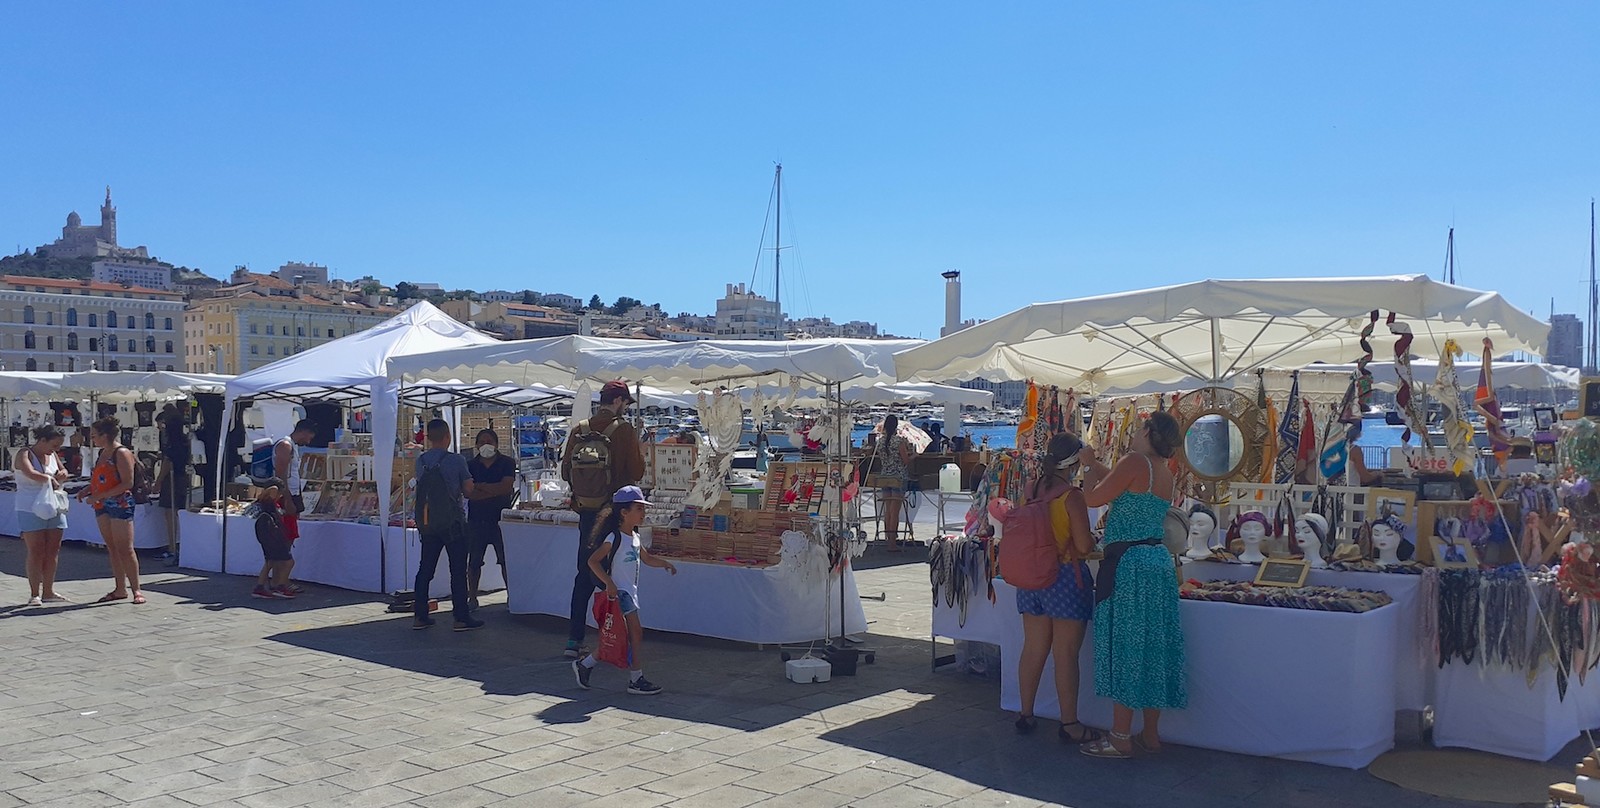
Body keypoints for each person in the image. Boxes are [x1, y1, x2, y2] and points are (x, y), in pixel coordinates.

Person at [1076, 412, 1186, 758]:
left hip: (1128, 565)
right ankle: (1150, 734)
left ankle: (1120, 735)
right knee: (1153, 646)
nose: (1136, 434)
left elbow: (1092, 499)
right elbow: (1119, 488)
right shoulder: (1163, 471)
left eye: (1140, 428)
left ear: (1149, 432)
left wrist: (1088, 466)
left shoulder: (1135, 460)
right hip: (1156, 562)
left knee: (1127, 646)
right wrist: (1099, 467)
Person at [1013, 432, 1102, 744]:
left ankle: (1025, 713)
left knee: (1033, 647)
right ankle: (1070, 723)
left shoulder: (1030, 490)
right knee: (1065, 654)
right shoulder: (1070, 496)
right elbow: (1082, 543)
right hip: (1064, 576)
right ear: (1076, 461)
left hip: (1030, 577)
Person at [560, 380, 644, 658]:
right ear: (619, 401)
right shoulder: (623, 430)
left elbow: (564, 473)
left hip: (586, 511)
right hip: (613, 514)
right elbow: (637, 471)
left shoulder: (579, 429)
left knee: (585, 573)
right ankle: (615, 640)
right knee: (617, 577)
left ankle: (574, 640)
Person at [572, 485, 678, 695]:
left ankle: (586, 665)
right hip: (621, 594)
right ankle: (636, 678)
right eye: (639, 509)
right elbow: (592, 562)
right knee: (634, 634)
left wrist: (665, 563)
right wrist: (609, 583)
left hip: (629, 593)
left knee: (619, 637)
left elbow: (646, 558)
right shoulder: (614, 538)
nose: (643, 513)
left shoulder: (635, 537)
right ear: (623, 512)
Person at [413, 419, 483, 631]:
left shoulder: (421, 460)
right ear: (448, 437)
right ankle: (461, 617)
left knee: (425, 570)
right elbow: (468, 490)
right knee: (457, 570)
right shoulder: (457, 460)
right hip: (453, 522)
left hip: (429, 522)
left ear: (428, 438)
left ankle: (420, 615)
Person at [78, 416, 144, 605]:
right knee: (113, 547)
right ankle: (120, 588)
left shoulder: (121, 453)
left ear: (105, 435)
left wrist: (99, 495)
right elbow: (101, 478)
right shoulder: (103, 453)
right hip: (102, 504)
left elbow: (127, 483)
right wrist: (88, 490)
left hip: (120, 503)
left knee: (125, 547)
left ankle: (136, 589)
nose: (92, 439)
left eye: (94, 436)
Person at [16, 426, 70, 606]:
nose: (55, 450)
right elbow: (30, 473)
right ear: (42, 440)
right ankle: (34, 593)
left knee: (54, 548)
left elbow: (63, 472)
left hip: (53, 504)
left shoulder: (53, 455)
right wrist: (49, 479)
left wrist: (63, 474)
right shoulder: (24, 453)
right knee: (36, 549)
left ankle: (48, 590)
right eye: (53, 445)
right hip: (29, 506)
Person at [263, 419, 317, 594]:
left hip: (293, 493)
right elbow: (280, 476)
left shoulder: (292, 446)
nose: (309, 441)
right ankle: (279, 582)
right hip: (285, 496)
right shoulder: (285, 446)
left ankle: (279, 581)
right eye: (309, 437)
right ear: (303, 431)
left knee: (288, 539)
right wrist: (287, 500)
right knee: (284, 539)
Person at [465, 429, 517, 611]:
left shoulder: (507, 462)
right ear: (477, 445)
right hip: (476, 519)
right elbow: (468, 493)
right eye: (482, 441)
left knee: (505, 560)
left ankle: (512, 596)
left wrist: (481, 487)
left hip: (500, 520)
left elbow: (506, 488)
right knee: (474, 562)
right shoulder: (469, 464)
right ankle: (472, 597)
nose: (486, 445)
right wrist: (491, 489)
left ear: (496, 444)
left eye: (489, 441)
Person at [248, 477, 295, 599]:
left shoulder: (266, 502)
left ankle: (259, 587)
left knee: (270, 562)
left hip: (268, 534)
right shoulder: (268, 501)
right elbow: (273, 489)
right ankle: (280, 586)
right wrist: (276, 488)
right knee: (289, 562)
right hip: (273, 535)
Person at [154, 403, 189, 564]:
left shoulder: (172, 440)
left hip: (173, 479)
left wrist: (158, 481)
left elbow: (168, 462)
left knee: (170, 513)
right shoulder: (184, 439)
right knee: (173, 513)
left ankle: (172, 547)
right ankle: (175, 546)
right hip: (182, 477)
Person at [876, 414, 914, 550]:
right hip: (898, 477)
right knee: (895, 511)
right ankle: (892, 543)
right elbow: (905, 460)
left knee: (888, 511)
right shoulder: (899, 441)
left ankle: (888, 539)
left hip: (885, 476)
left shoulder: (880, 441)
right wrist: (914, 455)